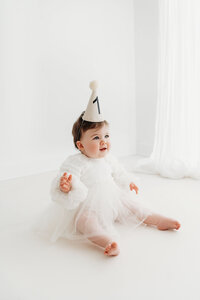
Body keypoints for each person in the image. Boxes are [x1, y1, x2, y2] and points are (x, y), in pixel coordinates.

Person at [41, 81, 181, 257]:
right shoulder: (76, 162)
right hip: (87, 205)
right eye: (96, 137)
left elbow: (119, 172)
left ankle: (156, 219)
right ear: (81, 145)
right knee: (85, 222)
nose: (104, 141)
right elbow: (68, 176)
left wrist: (128, 182)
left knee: (133, 205)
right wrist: (66, 187)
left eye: (106, 135)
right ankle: (105, 240)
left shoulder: (108, 159)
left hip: (111, 199)